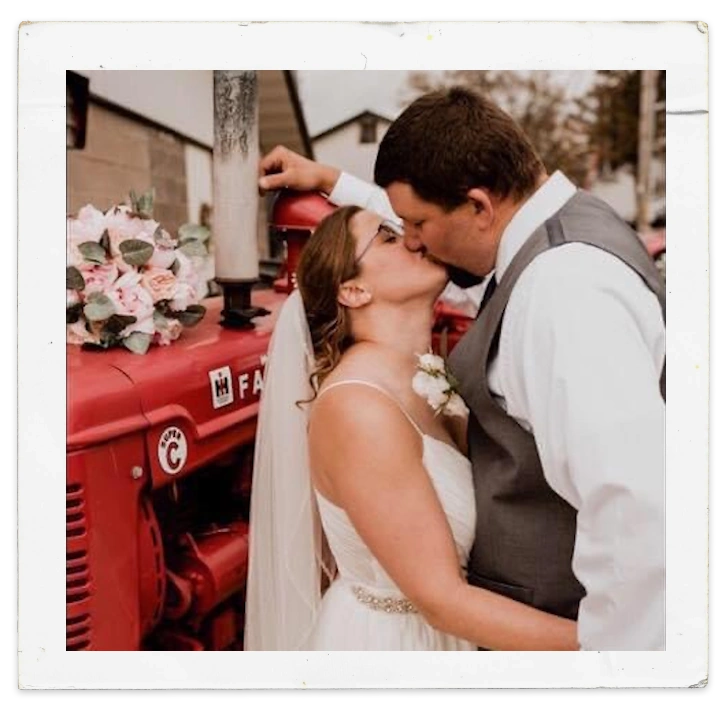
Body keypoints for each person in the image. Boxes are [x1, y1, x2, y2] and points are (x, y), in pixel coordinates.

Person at [255, 86, 666, 651]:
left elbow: (632, 505)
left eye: (414, 225)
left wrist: (615, 658)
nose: (416, 242)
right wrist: (332, 180)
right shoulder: (539, 248)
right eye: (396, 232)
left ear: (478, 206)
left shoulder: (562, 289)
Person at [244, 203, 578, 651]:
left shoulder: (424, 374)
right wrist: (613, 648)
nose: (414, 238)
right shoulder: (359, 407)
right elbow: (441, 600)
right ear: (354, 290)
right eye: (387, 235)